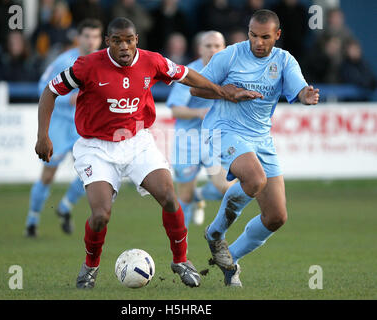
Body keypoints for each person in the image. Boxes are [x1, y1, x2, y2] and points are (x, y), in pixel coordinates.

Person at [34, 17, 241, 289]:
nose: (124, 46)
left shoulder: (151, 61)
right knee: (101, 216)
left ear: (136, 41)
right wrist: (42, 135)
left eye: (129, 40)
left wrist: (219, 91)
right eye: (117, 41)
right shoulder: (87, 65)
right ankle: (90, 267)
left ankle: (181, 260)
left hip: (136, 141)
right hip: (96, 146)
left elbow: (185, 74)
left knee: (169, 197)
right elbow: (50, 91)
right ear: (108, 42)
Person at [190, 9, 319, 287]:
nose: (258, 42)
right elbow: (195, 88)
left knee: (275, 217)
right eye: (253, 35)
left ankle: (230, 260)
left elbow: (299, 88)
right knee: (255, 179)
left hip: (261, 138)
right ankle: (215, 234)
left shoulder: (284, 60)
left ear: (277, 36)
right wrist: (227, 92)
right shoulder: (230, 55)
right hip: (224, 130)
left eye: (264, 37)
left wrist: (305, 95)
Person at [25, 19, 104, 237]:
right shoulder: (64, 61)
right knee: (48, 174)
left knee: (89, 172)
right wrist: (68, 98)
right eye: (87, 36)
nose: (91, 41)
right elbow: (44, 87)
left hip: (85, 125)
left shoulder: (103, 61)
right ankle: (32, 219)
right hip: (61, 124)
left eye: (95, 36)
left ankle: (65, 206)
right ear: (79, 38)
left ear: (101, 38)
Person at [166, 31, 234, 228]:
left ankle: (200, 195)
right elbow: (175, 110)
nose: (212, 50)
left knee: (226, 188)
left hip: (216, 139)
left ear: (224, 49)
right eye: (208, 46)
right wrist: (198, 113)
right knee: (183, 197)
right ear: (200, 49)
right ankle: (180, 250)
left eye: (217, 46)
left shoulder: (232, 73)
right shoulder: (188, 73)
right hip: (188, 140)